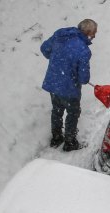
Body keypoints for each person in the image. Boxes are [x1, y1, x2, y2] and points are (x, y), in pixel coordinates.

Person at [40, 19, 97, 151]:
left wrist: (58, 59)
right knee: (73, 113)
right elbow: (83, 79)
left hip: (53, 82)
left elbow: (44, 48)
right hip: (69, 88)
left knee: (57, 110)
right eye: (94, 33)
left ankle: (56, 137)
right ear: (87, 32)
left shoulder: (60, 34)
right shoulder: (83, 50)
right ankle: (70, 142)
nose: (94, 36)